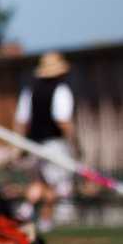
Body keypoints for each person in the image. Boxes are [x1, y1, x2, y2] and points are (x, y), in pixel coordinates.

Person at [14, 51, 77, 232]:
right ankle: (46, 220)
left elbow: (21, 120)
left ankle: (24, 213)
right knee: (53, 183)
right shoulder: (61, 90)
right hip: (53, 143)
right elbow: (63, 120)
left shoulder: (30, 90)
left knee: (38, 182)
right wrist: (74, 143)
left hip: (33, 143)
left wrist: (20, 145)